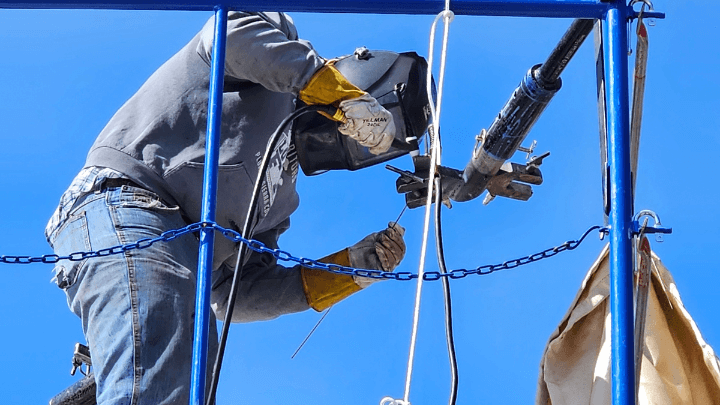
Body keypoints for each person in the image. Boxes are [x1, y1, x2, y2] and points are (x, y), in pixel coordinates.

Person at [45, 12, 406, 405]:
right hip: (130, 200)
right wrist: (336, 93)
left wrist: (350, 268)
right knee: (160, 385)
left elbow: (231, 294)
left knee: (188, 390)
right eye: (371, 124)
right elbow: (229, 36)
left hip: (181, 257)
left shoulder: (278, 201)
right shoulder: (280, 52)